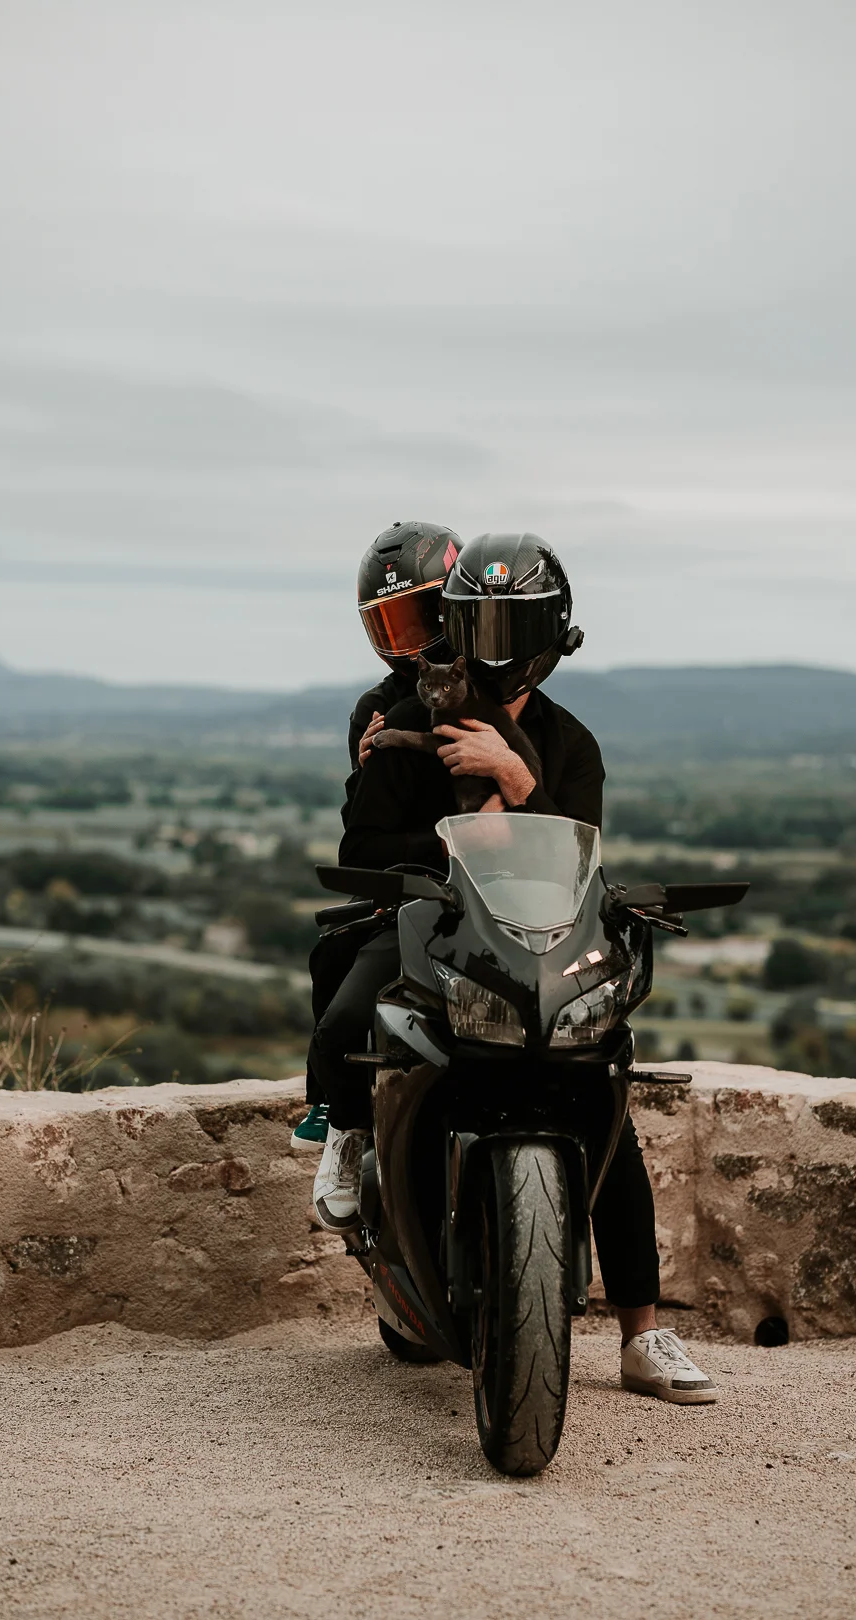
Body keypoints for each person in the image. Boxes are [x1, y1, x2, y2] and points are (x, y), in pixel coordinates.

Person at [309, 532, 717, 1404]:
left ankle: (645, 1335)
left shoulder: (570, 743)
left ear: (548, 632)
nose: (490, 646)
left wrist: (514, 784)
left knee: (605, 1101)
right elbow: (363, 844)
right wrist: (462, 838)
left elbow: (580, 845)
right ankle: (346, 1143)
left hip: (548, 939)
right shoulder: (410, 720)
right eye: (477, 621)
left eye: (509, 625)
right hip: (437, 927)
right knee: (353, 1022)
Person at [289, 519, 463, 1152]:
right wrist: (366, 773)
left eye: (417, 619)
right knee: (333, 956)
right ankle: (338, 1116)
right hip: (412, 892)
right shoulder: (377, 710)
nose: (406, 644)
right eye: (389, 627)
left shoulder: (490, 693)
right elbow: (359, 832)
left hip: (494, 894)